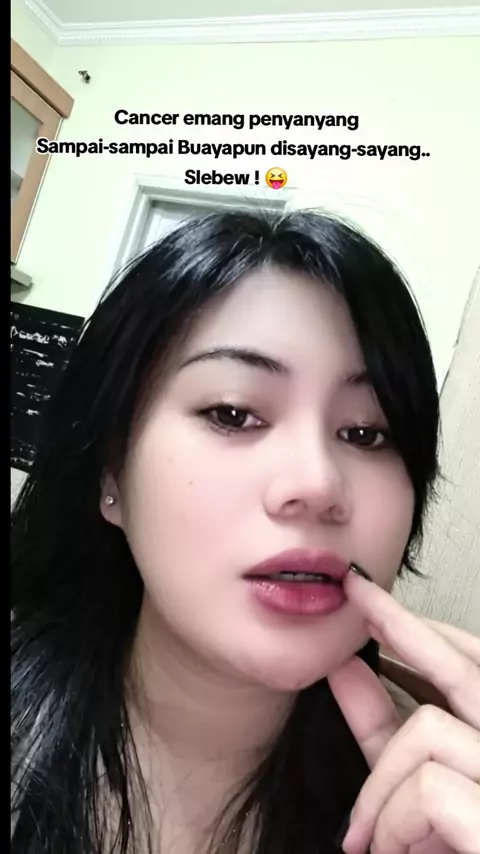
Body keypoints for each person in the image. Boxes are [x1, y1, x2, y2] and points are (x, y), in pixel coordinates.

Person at [11, 209, 480, 854]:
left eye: (366, 433)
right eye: (233, 414)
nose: (318, 482)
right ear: (111, 471)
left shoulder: (444, 804)